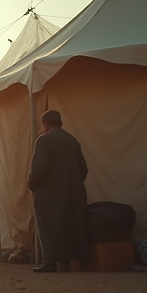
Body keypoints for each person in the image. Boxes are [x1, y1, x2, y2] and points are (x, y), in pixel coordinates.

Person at [27, 110, 89, 273]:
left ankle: (51, 262)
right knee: (71, 225)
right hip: (74, 192)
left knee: (49, 226)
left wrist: (32, 185)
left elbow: (39, 169)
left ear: (45, 124)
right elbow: (83, 168)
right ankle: (72, 261)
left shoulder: (44, 141)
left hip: (49, 193)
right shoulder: (72, 140)